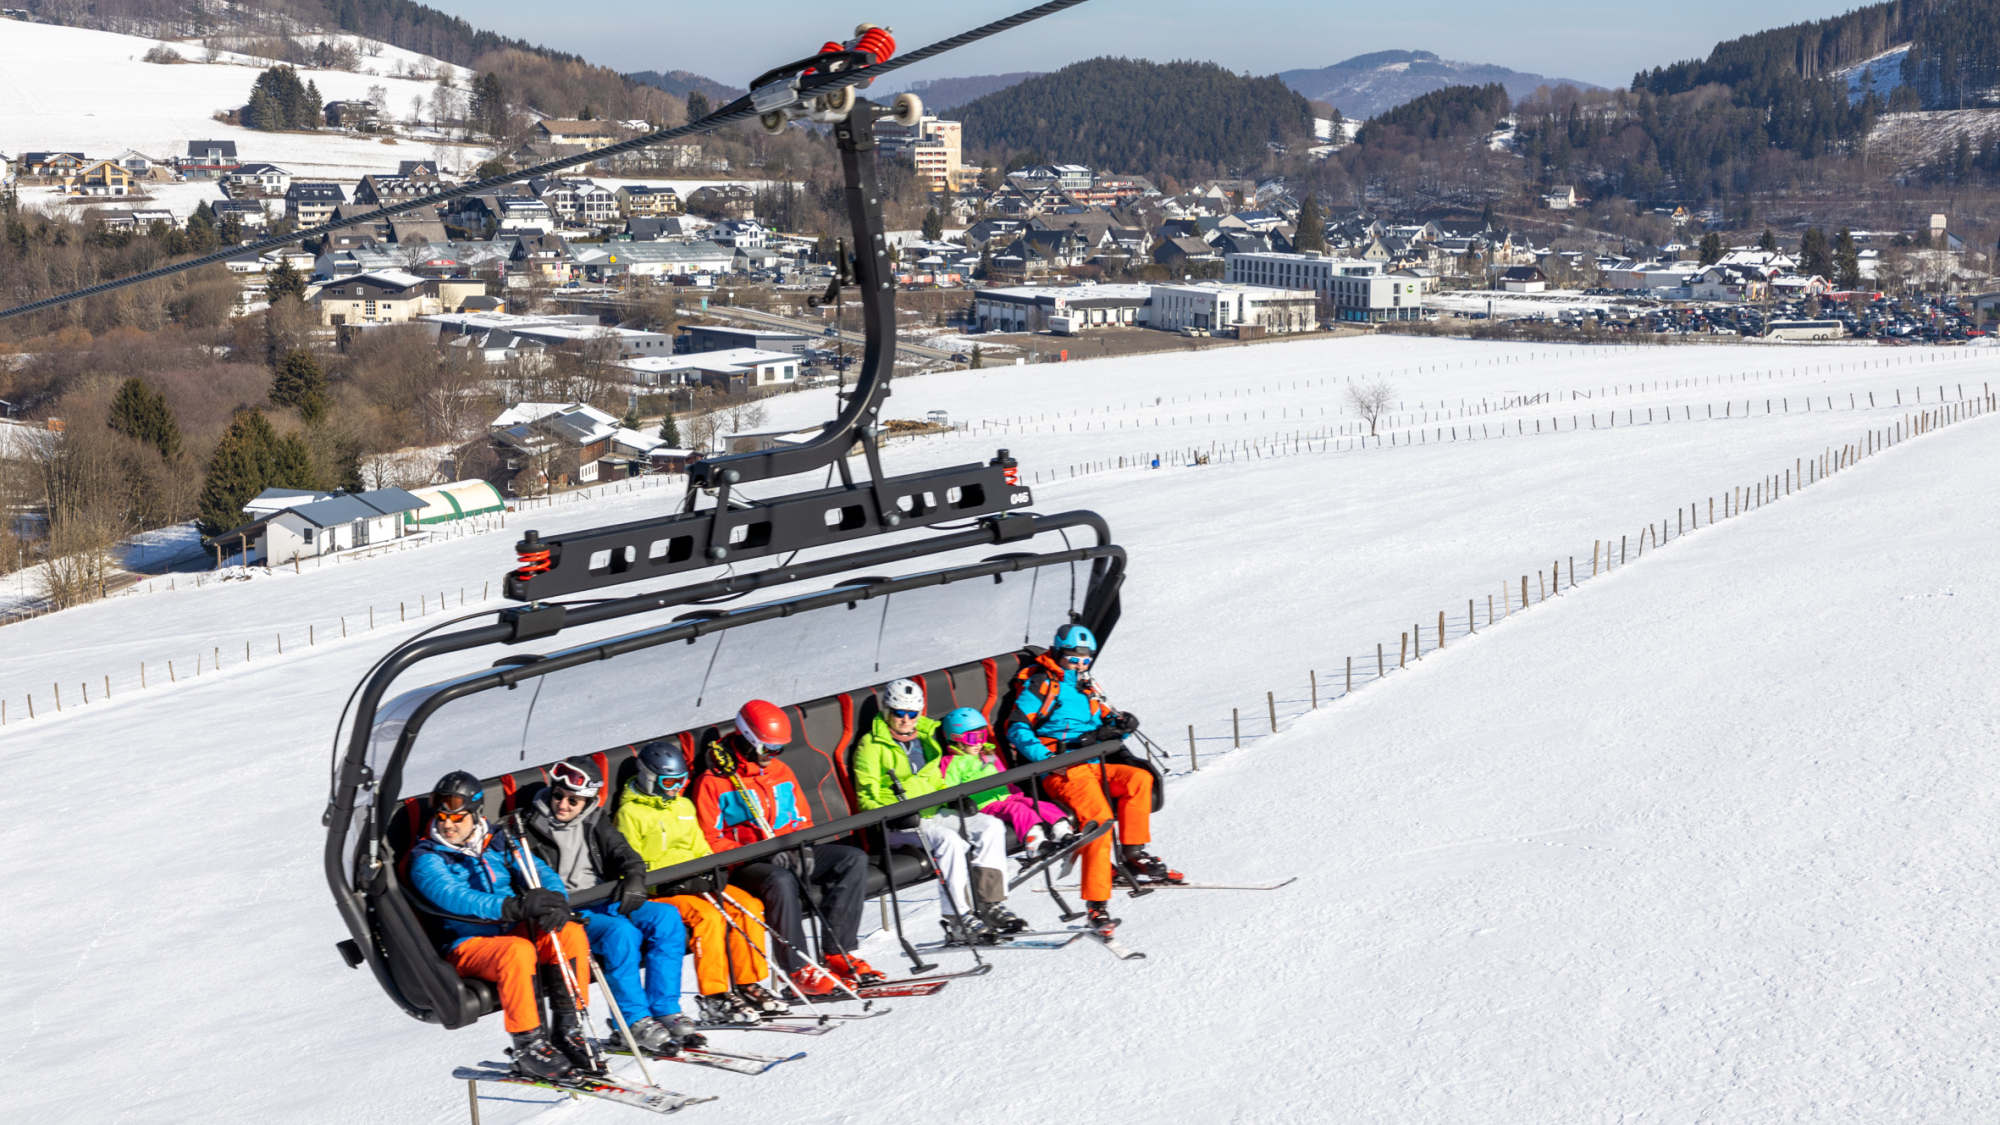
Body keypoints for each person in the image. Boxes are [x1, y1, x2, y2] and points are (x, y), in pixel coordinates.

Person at [407, 770, 595, 1082]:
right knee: (517, 952)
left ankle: (569, 1029)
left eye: (457, 818)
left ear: (475, 813)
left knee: (569, 933)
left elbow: (539, 870)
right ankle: (528, 1045)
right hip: (466, 945)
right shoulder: (427, 858)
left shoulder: (498, 840)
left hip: (511, 930)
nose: (447, 824)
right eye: (442, 816)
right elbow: (456, 897)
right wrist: (513, 907)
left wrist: (555, 901)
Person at [692, 700, 882, 995]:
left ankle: (836, 952)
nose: (774, 756)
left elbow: (802, 817)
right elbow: (710, 840)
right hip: (744, 865)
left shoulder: (779, 770)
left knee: (852, 859)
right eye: (768, 749)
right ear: (747, 739)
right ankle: (796, 970)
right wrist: (759, 851)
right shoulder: (714, 781)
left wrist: (803, 846)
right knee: (780, 881)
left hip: (788, 851)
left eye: (779, 749)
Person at [520, 757, 700, 1055]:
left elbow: (622, 851)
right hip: (573, 911)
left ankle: (666, 1008)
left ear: (588, 801)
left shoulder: (595, 819)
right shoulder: (530, 827)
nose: (562, 805)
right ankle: (632, 1021)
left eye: (573, 800)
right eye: (558, 796)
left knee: (666, 917)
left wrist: (633, 876)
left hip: (605, 898)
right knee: (621, 933)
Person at [1006, 624, 1182, 928]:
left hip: (1095, 763)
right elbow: (1017, 728)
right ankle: (1096, 904)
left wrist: (1120, 723)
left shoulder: (1087, 685)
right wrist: (1048, 759)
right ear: (1060, 653)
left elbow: (1105, 716)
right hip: (1064, 768)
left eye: (1085, 657)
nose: (1080, 662)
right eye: (1074, 656)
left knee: (1139, 780)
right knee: (1099, 822)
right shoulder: (1042, 684)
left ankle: (1133, 853)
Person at [616, 739, 790, 1023]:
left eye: (681, 781)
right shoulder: (629, 814)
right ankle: (715, 996)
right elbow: (629, 865)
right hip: (663, 890)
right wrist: (671, 880)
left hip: (694, 881)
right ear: (649, 778)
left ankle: (748, 984)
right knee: (708, 917)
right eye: (670, 782)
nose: (677, 789)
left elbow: (701, 848)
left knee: (748, 905)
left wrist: (713, 870)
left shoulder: (683, 806)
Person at [851, 680, 1025, 944]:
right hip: (898, 824)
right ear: (887, 710)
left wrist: (955, 800)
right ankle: (958, 917)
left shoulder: (927, 737)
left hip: (936, 812)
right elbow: (865, 796)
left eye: (913, 713)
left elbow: (938, 778)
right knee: (950, 841)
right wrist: (893, 814)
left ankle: (989, 903)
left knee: (991, 827)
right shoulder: (871, 746)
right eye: (899, 713)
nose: (906, 720)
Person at [934, 706, 1073, 857]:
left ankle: (1061, 829)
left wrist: (1014, 792)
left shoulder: (988, 754)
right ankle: (1035, 841)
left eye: (983, 736)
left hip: (1006, 797)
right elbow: (948, 786)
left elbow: (1003, 776)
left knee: (1035, 804)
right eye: (973, 738)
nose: (979, 743)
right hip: (985, 804)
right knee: (1018, 810)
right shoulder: (952, 762)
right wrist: (963, 803)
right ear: (956, 738)